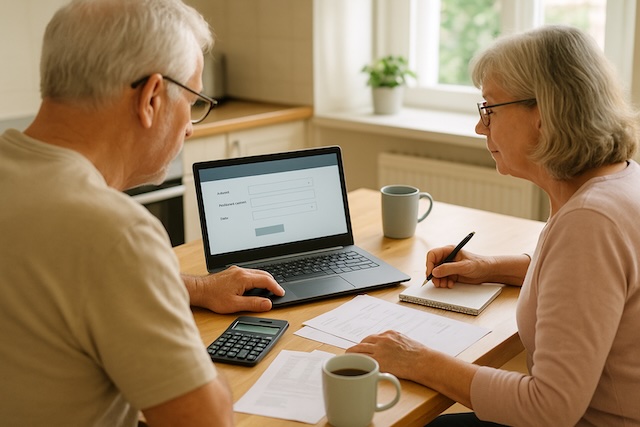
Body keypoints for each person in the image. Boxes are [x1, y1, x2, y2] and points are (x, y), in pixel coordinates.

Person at [0, 0, 283, 425]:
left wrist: (198, 288)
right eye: (193, 100)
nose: (190, 126)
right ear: (152, 97)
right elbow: (208, 421)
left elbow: (59, 282)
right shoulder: (116, 232)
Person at [347, 25, 640, 426]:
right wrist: (487, 267)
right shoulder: (621, 181)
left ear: (542, 113)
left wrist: (417, 359)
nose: (480, 127)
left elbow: (548, 408)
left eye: (489, 109)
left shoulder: (590, 221)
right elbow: (590, 284)